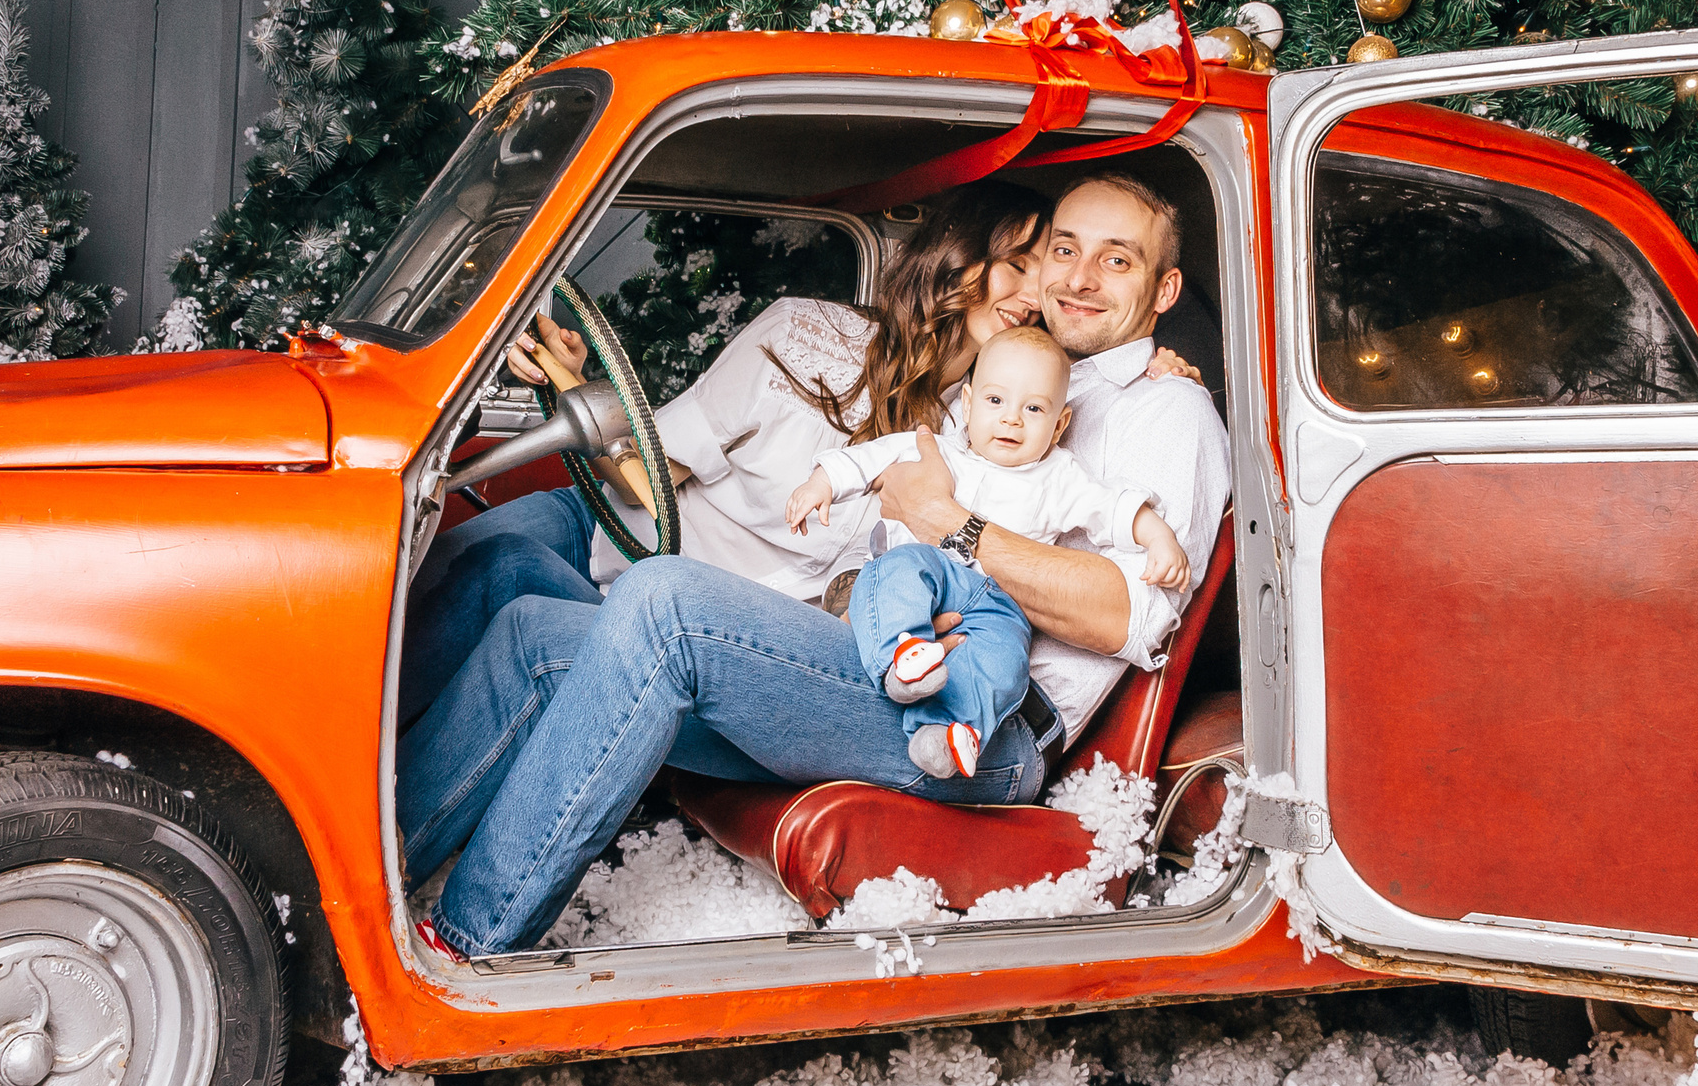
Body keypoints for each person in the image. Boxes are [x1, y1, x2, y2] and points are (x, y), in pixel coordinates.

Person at [400, 170, 1231, 960]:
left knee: (665, 602)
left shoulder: (1168, 409)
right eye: (1062, 250)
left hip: (987, 718)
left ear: (1161, 291)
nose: (1080, 275)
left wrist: (950, 525)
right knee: (532, 630)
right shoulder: (1032, 385)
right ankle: (372, 889)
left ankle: (466, 943)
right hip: (886, 654)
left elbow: (1127, 615)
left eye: (1116, 259)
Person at [394, 177, 1053, 734]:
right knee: (449, 575)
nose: (1030, 295)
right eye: (1016, 264)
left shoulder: (991, 436)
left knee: (517, 610)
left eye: (1043, 276)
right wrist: (575, 383)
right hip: (606, 531)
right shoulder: (803, 334)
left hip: (691, 629)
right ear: (960, 258)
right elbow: (642, 486)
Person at [787, 324, 1190, 780]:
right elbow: (865, 460)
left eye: (1034, 408)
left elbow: (1113, 508)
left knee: (1005, 659)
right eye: (996, 401)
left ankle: (949, 734)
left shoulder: (1059, 476)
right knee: (896, 570)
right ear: (969, 404)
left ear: (1059, 424)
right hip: (926, 572)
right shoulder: (936, 450)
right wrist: (820, 484)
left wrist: (1158, 537)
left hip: (995, 603)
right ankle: (900, 658)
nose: (1012, 419)